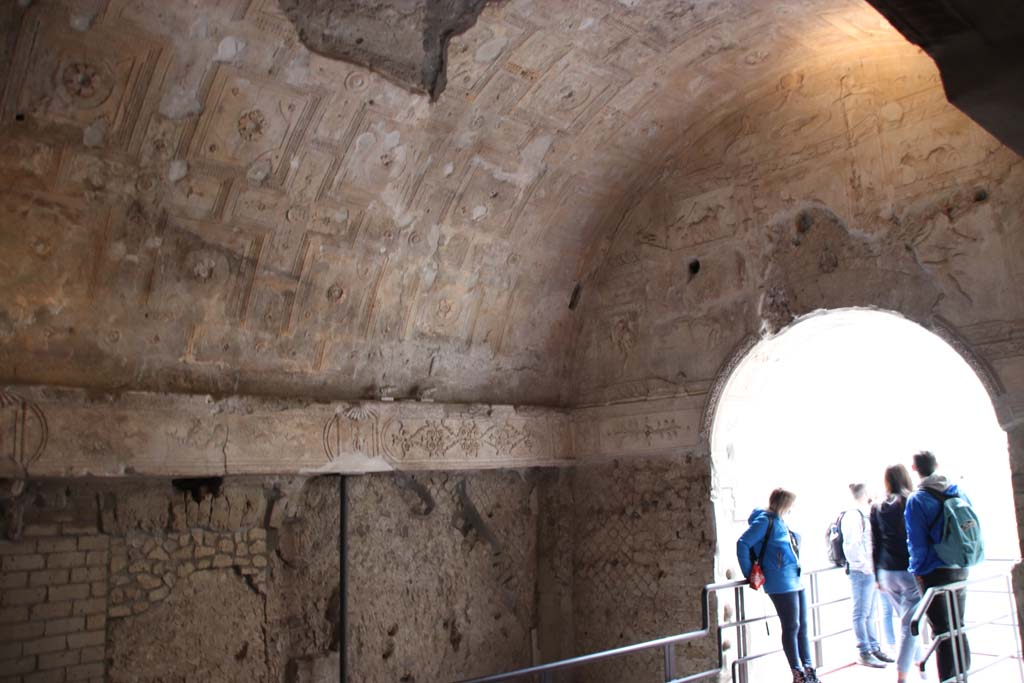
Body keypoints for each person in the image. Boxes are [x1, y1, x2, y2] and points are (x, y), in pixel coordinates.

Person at [737, 488, 819, 683]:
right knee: (792, 626)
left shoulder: (781, 520)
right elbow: (742, 543)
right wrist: (750, 574)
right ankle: (798, 672)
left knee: (803, 626)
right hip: (780, 580)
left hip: (794, 578)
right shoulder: (765, 521)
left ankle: (808, 669)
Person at [906, 451, 971, 680]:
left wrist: (917, 571)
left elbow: (917, 543)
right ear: (937, 465)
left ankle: (949, 678)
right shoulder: (957, 490)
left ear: (914, 469)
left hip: (934, 571)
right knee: (958, 625)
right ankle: (964, 674)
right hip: (959, 565)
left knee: (942, 631)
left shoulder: (918, 499)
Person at [872, 464, 924, 683]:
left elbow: (874, 543)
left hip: (886, 571)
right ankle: (902, 676)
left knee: (910, 621)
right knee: (909, 624)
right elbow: (917, 538)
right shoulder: (911, 500)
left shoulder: (876, 505)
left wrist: (876, 576)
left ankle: (922, 665)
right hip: (908, 570)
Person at [842, 483, 891, 668]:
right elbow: (852, 545)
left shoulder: (861, 513)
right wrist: (865, 566)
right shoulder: (853, 515)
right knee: (862, 612)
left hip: (867, 569)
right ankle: (864, 650)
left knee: (869, 612)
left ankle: (873, 647)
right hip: (861, 571)